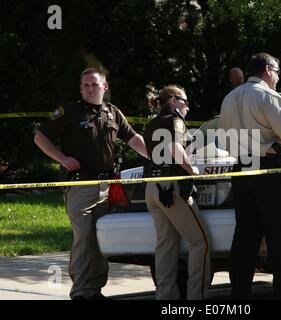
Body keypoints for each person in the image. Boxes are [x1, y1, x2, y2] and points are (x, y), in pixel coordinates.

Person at [34, 68, 147, 300]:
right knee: (84, 237)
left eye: (94, 84)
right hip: (80, 187)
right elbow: (40, 137)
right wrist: (63, 159)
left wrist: (159, 158)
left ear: (104, 87)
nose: (89, 88)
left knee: (99, 239)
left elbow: (133, 138)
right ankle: (81, 291)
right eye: (85, 85)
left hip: (107, 188)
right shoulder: (69, 111)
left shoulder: (113, 112)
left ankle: (94, 290)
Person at [219, 52, 281, 299]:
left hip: (241, 169)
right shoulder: (266, 95)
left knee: (244, 236)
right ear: (266, 69)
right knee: (277, 235)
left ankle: (239, 293)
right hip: (269, 170)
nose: (277, 76)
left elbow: (224, 138)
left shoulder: (229, 98)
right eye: (276, 70)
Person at [143, 85, 210, 300]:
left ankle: (165, 298)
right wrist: (192, 170)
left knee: (166, 245)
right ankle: (195, 298)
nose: (187, 106)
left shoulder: (152, 123)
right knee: (201, 242)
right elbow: (175, 149)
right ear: (172, 101)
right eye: (185, 101)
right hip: (171, 187)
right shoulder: (175, 120)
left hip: (153, 188)